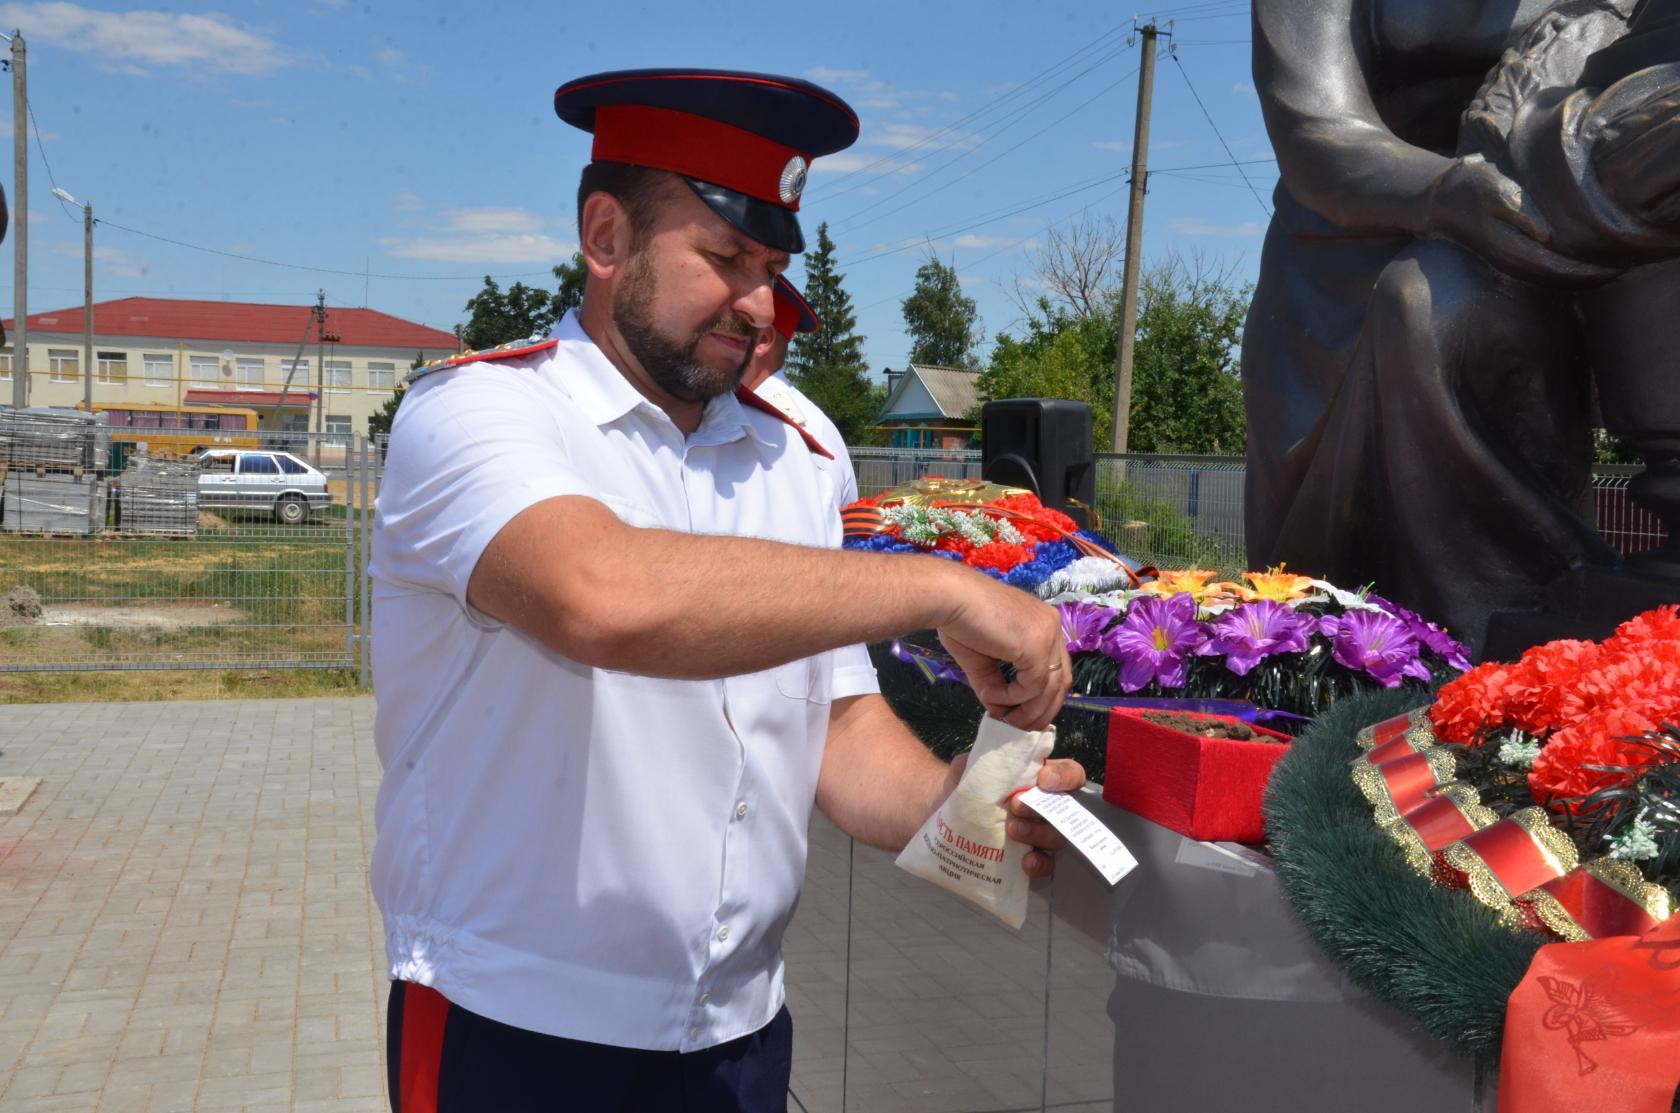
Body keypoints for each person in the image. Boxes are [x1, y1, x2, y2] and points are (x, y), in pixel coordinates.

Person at [369, 68, 1081, 1113]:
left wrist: (958, 807)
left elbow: (834, 726)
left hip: (741, 1039)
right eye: (724, 258)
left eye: (773, 266)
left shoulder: (798, 448)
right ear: (606, 238)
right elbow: (601, 596)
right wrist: (941, 588)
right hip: (514, 1033)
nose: (758, 303)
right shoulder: (478, 416)